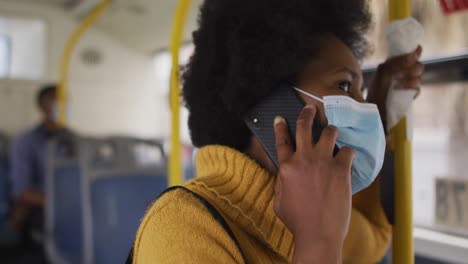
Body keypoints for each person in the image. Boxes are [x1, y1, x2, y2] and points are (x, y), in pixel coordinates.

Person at [132, 0, 423, 263]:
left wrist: (381, 117)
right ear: (273, 104)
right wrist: (317, 241)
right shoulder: (181, 227)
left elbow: (370, 240)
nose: (364, 107)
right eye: (344, 86)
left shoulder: (320, 205)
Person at [8, 84, 73, 261]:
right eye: (57, 101)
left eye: (66, 101)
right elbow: (21, 192)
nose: (64, 105)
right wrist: (59, 204)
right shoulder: (25, 142)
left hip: (72, 207)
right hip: (40, 209)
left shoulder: (73, 141)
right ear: (43, 106)